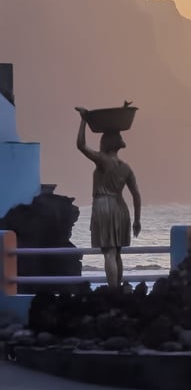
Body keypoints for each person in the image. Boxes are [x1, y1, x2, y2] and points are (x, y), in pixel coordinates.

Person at [75, 107, 142, 289]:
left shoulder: (103, 160)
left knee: (109, 253)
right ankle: (118, 288)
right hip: (121, 208)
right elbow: (136, 195)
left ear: (105, 143)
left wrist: (83, 120)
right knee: (117, 251)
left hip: (104, 205)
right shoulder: (126, 167)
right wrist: (137, 220)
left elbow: (80, 145)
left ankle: (113, 291)